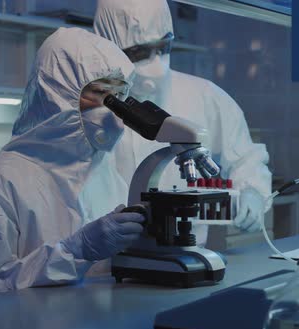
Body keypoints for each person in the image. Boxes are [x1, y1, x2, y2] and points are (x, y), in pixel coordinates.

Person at [0, 28, 144, 298]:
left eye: (119, 97)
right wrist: (75, 252)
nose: (113, 110)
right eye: (101, 94)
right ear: (58, 93)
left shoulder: (109, 174)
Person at [94, 0, 273, 241]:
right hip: (102, 261)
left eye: (164, 47)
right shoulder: (89, 109)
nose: (156, 65)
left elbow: (247, 158)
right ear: (110, 49)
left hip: (189, 246)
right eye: (139, 53)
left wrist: (253, 192)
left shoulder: (205, 95)